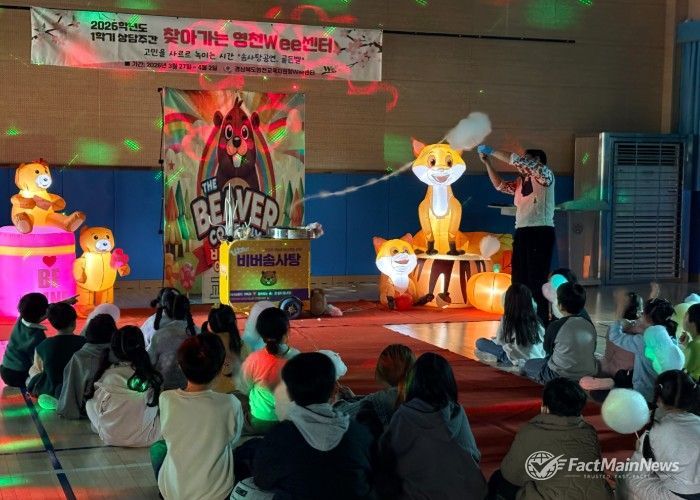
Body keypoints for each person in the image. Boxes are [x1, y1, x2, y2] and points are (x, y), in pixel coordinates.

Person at [252, 352, 374, 499]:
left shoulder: (279, 436)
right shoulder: (358, 433)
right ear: (334, 389)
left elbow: (262, 480)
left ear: (289, 392)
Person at [378, 352, 485, 500]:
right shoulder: (456, 412)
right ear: (449, 382)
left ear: (414, 382)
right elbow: (473, 455)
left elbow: (387, 456)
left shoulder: (404, 415)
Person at [488, 378, 613, 500]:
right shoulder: (589, 431)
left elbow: (511, 475)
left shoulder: (532, 432)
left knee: (499, 479)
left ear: (545, 407)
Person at [153, 334, 244, 500]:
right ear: (220, 369)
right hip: (217, 494)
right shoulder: (230, 403)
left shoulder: (166, 398)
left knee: (157, 449)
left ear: (180, 366)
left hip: (173, 492)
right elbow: (233, 439)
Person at [478, 144, 555, 324]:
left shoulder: (545, 175)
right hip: (522, 231)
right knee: (519, 279)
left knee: (536, 279)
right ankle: (519, 320)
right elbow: (500, 186)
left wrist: (492, 151)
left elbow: (518, 161)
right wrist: (487, 162)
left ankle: (540, 321)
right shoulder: (521, 182)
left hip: (540, 231)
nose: (523, 162)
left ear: (538, 161)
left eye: (528, 159)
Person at [617, 370, 700, 499]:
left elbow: (639, 467)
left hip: (684, 496)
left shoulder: (655, 433)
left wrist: (641, 447)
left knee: (626, 475)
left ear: (659, 399)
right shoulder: (696, 420)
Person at [86, 326, 162, 447]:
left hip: (110, 438)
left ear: (114, 350)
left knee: (89, 403)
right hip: (148, 438)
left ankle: (106, 428)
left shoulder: (107, 375)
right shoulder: (152, 376)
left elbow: (96, 404)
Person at [605, 298, 685, 402]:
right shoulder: (671, 335)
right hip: (665, 393)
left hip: (644, 392)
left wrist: (619, 319)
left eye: (642, 313)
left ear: (647, 317)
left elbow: (614, 336)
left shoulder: (642, 341)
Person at [523, 282, 597, 383]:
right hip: (588, 373)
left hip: (559, 375)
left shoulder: (556, 325)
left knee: (528, 364)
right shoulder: (589, 325)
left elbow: (547, 348)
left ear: (560, 305)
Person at [241, 307, 300, 432]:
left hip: (260, 421)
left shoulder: (254, 358)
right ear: (287, 332)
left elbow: (245, 386)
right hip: (289, 421)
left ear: (261, 335)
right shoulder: (297, 357)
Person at [334, 344, 415, 429]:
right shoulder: (411, 390)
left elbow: (340, 414)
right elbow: (372, 400)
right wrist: (354, 398)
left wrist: (336, 399)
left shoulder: (385, 398)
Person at [58, 314, 118, 419]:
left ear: (89, 333)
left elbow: (71, 387)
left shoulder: (80, 356)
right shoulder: (121, 353)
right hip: (118, 406)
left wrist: (66, 409)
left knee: (59, 389)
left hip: (92, 409)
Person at [475, 284, 545, 366]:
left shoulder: (507, 319)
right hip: (536, 357)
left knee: (480, 342)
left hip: (513, 357)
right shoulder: (536, 319)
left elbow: (500, 341)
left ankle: (504, 358)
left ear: (507, 301)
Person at [27, 303, 85, 398]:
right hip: (78, 389)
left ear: (52, 324)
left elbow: (38, 369)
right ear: (74, 322)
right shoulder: (84, 343)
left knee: (32, 372)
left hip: (51, 390)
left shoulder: (43, 346)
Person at [147, 292, 197, 390]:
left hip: (164, 389)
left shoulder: (159, 335)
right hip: (191, 388)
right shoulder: (198, 333)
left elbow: (150, 362)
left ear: (167, 311)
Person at [0, 293, 49, 388]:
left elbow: (46, 310)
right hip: (19, 375)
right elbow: (39, 363)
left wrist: (65, 302)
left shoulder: (21, 319)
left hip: (5, 369)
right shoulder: (37, 336)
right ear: (42, 314)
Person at [201, 304, 248, 394]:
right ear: (234, 322)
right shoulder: (243, 346)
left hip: (210, 397)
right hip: (239, 397)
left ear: (210, 325)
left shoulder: (203, 348)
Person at [684, 304, 700, 380]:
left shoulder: (694, 345)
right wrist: (686, 345)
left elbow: (683, 372)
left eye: (686, 315)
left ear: (693, 321)